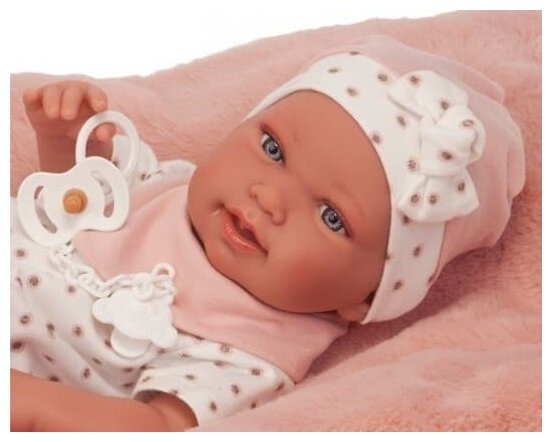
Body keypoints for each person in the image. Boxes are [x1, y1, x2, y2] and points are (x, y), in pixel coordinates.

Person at [10, 38, 525, 431]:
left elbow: (158, 425)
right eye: (274, 150)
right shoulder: (169, 182)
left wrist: (32, 407)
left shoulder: (252, 349)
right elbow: (70, 212)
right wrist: (66, 144)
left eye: (331, 216)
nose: (269, 198)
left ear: (363, 300)